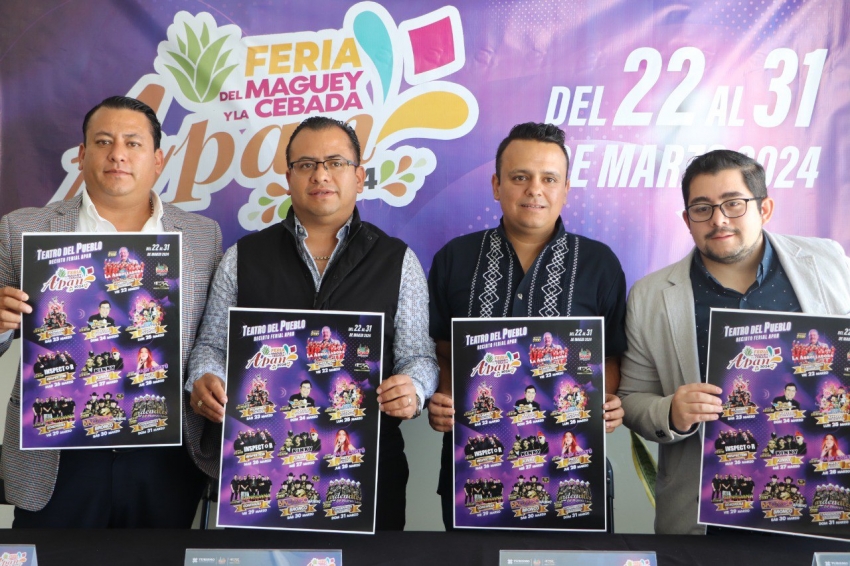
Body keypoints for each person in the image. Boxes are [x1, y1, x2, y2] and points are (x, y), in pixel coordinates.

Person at [187, 115, 438, 530]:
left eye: (335, 163)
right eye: (306, 165)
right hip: (262, 466)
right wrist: (204, 377)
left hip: (367, 468)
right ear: (288, 178)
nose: (321, 175)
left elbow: (418, 356)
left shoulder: (397, 261)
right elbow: (212, 346)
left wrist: (414, 388)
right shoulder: (243, 257)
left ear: (359, 176)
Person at [0, 96, 222, 528]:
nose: (118, 154)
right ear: (82, 155)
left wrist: (207, 377)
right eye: (103, 142)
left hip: (163, 450)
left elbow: (209, 338)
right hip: (57, 448)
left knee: (155, 558)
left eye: (133, 143)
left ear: (157, 160)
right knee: (51, 558)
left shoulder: (202, 236)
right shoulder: (22, 228)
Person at [618, 149, 850, 534]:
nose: (719, 219)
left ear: (765, 208)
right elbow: (631, 398)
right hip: (706, 518)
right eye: (702, 208)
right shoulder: (651, 295)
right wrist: (671, 411)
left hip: (821, 502)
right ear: (687, 220)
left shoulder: (828, 262)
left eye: (733, 203)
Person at [427, 122, 627, 530]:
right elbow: (442, 351)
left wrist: (605, 404)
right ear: (496, 185)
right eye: (520, 177)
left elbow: (610, 357)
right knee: (474, 560)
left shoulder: (599, 264)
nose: (535, 189)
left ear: (565, 189)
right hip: (475, 469)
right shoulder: (454, 259)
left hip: (573, 468)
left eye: (549, 179)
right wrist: (442, 398)